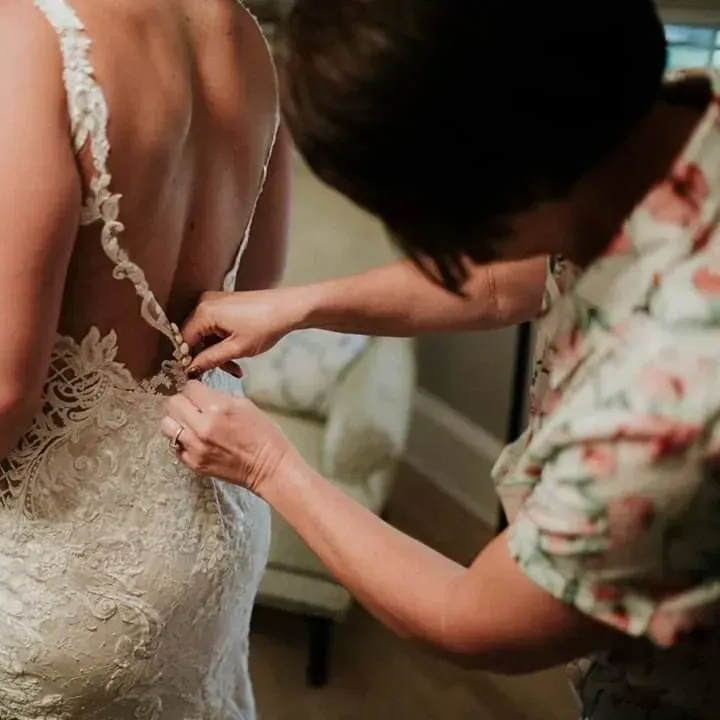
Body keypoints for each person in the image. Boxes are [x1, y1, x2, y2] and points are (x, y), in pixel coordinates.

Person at [162, 1, 720, 717]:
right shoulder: (652, 145)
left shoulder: (664, 398)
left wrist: (272, 468)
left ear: (497, 179)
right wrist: (296, 305)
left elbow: (474, 617)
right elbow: (504, 280)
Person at [0, 0, 288, 717]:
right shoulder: (245, 36)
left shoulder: (18, 34)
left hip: (70, 564)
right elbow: (254, 296)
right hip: (213, 523)